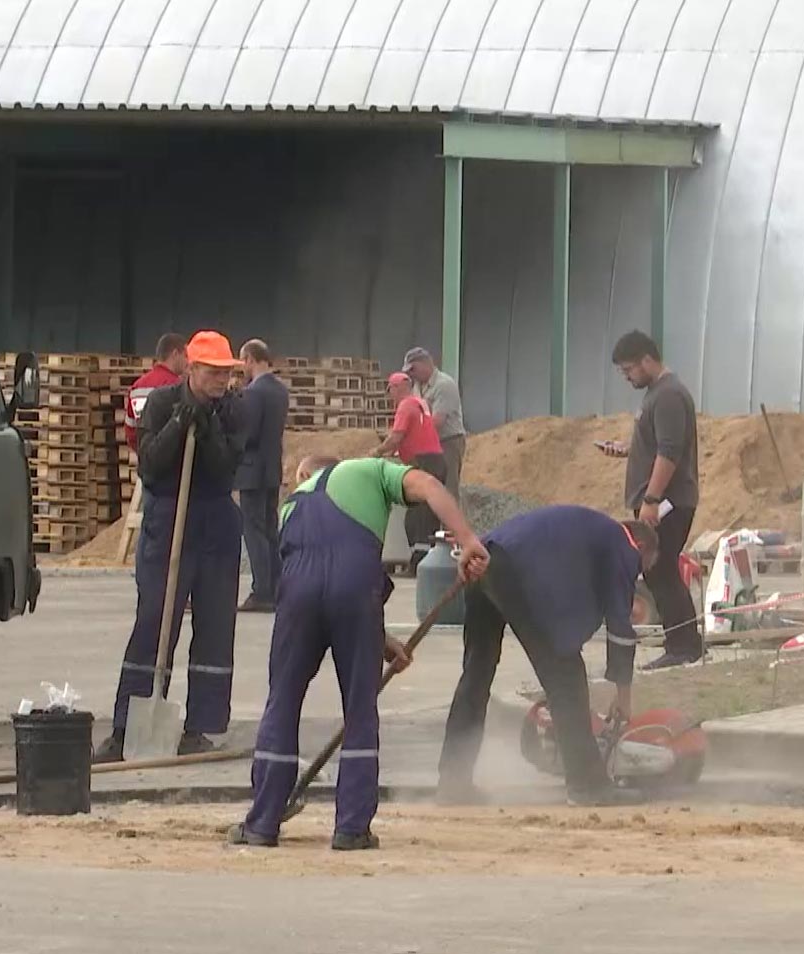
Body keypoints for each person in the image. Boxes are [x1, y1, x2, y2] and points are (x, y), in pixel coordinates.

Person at [230, 455, 488, 851]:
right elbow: (431, 487)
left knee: (282, 701)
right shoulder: (373, 469)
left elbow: (316, 578)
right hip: (354, 588)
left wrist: (382, 643)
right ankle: (351, 827)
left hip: (297, 593)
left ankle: (262, 822)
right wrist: (467, 540)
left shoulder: (291, 505)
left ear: (305, 475)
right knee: (359, 707)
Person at [438, 504, 660, 807]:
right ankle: (587, 786)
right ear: (642, 545)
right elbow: (620, 626)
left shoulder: (590, 531)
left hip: (486, 556)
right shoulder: (623, 545)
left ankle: (453, 782)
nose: (637, 572)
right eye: (643, 567)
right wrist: (623, 694)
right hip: (516, 571)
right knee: (566, 679)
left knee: (476, 674)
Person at [97, 331, 245, 763]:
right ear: (192, 368)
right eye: (213, 372)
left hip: (215, 517)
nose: (221, 380)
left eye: (227, 372)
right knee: (155, 620)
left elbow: (224, 469)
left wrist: (210, 424)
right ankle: (128, 724)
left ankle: (202, 724)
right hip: (169, 516)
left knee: (216, 625)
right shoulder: (161, 402)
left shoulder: (236, 409)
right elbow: (152, 464)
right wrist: (182, 421)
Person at [601, 330, 703, 670]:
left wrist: (652, 499)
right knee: (661, 572)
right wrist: (629, 451)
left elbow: (670, 453)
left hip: (668, 503)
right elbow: (658, 444)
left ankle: (683, 647)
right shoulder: (657, 394)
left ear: (647, 360)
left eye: (629, 369)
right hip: (661, 500)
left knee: (660, 570)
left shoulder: (669, 395)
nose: (628, 376)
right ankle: (685, 644)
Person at [235, 339, 289, 614]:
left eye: (243, 361)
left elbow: (249, 433)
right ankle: (278, 585)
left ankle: (262, 590)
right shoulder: (280, 391)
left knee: (253, 530)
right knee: (270, 528)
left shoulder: (253, 393)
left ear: (251, 359)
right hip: (271, 469)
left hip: (251, 470)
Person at [373, 372, 450, 564]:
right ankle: (431, 558)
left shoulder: (405, 405)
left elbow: (396, 436)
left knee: (416, 513)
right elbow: (414, 434)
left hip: (423, 462)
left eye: (390, 390)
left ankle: (418, 561)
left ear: (396, 388)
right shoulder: (420, 403)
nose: (391, 396)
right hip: (437, 460)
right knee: (430, 510)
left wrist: (377, 451)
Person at [402, 348, 466, 497]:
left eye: (413, 369)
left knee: (448, 488)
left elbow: (437, 421)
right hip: (428, 443)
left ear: (426, 363)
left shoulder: (444, 385)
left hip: (448, 441)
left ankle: (451, 520)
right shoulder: (417, 386)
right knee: (430, 489)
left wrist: (411, 438)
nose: (411, 374)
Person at [125, 333, 190, 449]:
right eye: (185, 356)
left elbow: (131, 431)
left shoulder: (137, 387)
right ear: (175, 354)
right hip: (173, 461)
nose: (187, 362)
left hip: (146, 459)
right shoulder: (178, 387)